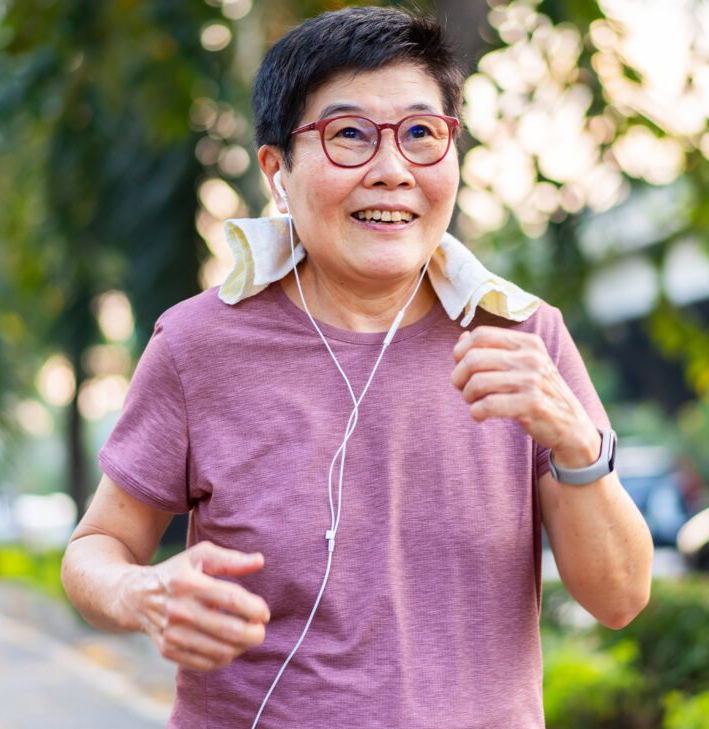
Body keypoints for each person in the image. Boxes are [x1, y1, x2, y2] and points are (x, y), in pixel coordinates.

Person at [61, 7, 652, 728]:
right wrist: (142, 592)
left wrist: (576, 443)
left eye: (421, 135)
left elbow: (619, 597)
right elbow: (96, 547)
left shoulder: (527, 341)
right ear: (277, 171)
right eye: (348, 135)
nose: (393, 171)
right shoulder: (197, 345)